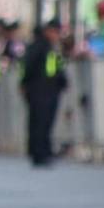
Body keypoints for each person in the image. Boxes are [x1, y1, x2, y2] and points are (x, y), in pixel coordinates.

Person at [21, 19, 67, 166]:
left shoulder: (52, 48)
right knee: (40, 122)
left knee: (46, 123)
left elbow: (56, 69)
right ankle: (38, 153)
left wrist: (62, 82)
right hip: (40, 90)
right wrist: (25, 84)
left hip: (49, 90)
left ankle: (44, 152)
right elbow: (29, 67)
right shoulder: (40, 46)